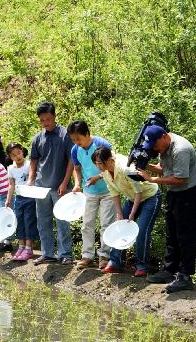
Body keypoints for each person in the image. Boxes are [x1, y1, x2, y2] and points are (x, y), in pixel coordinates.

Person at [137, 126, 196, 293]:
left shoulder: (181, 149)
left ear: (164, 137)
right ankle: (169, 270)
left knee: (186, 236)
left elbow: (180, 178)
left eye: (155, 146)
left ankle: (185, 276)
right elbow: (164, 169)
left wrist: (151, 179)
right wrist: (146, 167)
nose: (154, 149)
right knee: (172, 234)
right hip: (174, 195)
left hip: (188, 195)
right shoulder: (164, 146)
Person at [92, 147, 161, 277]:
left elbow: (138, 191)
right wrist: (119, 214)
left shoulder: (126, 168)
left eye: (100, 163)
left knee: (141, 231)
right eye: (95, 163)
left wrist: (132, 213)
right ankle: (115, 262)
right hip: (132, 198)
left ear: (109, 160)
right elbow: (114, 193)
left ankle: (142, 266)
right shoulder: (106, 172)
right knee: (120, 227)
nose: (97, 166)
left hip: (149, 196)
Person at [28, 102, 74, 265]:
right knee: (43, 222)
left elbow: (71, 160)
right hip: (41, 187)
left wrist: (65, 182)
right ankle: (47, 253)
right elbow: (33, 160)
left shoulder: (65, 135)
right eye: (42, 120)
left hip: (61, 187)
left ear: (54, 116)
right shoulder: (37, 138)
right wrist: (31, 180)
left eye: (48, 119)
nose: (45, 122)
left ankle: (66, 254)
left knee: (62, 222)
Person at [67, 120, 116, 269]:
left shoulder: (102, 144)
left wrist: (98, 177)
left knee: (106, 223)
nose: (76, 142)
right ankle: (87, 255)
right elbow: (77, 169)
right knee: (87, 224)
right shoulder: (75, 150)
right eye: (73, 140)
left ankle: (104, 256)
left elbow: (113, 164)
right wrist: (77, 184)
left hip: (108, 190)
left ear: (87, 134)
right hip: (89, 191)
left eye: (78, 138)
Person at [6, 142, 39, 262]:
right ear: (10, 157)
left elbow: (33, 176)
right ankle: (21, 247)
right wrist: (8, 199)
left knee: (29, 221)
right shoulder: (10, 168)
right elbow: (11, 185)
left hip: (30, 197)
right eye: (14, 155)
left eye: (19, 153)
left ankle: (29, 248)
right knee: (19, 222)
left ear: (22, 151)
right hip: (19, 198)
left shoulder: (29, 164)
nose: (18, 156)